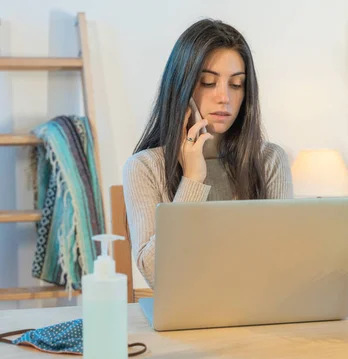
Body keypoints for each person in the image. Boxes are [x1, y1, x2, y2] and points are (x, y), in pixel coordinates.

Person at [122, 19, 293, 288]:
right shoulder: (144, 167)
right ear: (182, 88)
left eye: (236, 85)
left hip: (260, 316)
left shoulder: (269, 160)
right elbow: (157, 275)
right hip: (186, 324)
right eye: (208, 82)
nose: (224, 97)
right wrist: (192, 180)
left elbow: (285, 265)